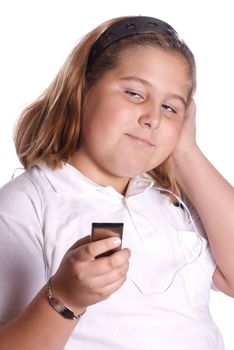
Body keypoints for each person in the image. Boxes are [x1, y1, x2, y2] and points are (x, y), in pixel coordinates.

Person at [0, 15, 233, 350]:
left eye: (170, 107)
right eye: (135, 94)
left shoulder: (172, 203)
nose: (153, 118)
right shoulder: (26, 204)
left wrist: (185, 152)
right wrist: (66, 298)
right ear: (82, 91)